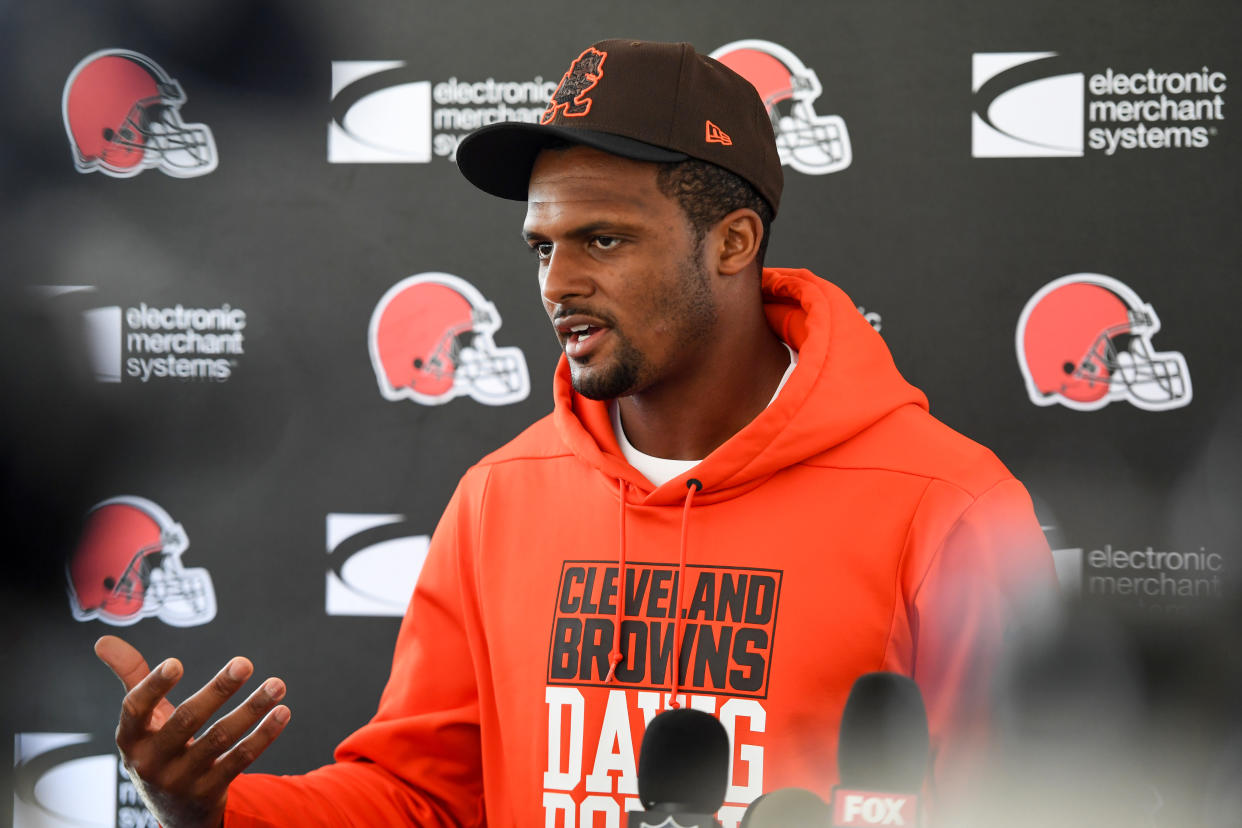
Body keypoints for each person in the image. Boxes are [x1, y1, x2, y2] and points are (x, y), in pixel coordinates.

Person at [96, 38, 1055, 827]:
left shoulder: (950, 510)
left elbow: (1042, 803)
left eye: (604, 239)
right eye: (543, 247)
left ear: (732, 243)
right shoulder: (500, 497)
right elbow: (423, 796)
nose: (557, 284)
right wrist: (213, 812)